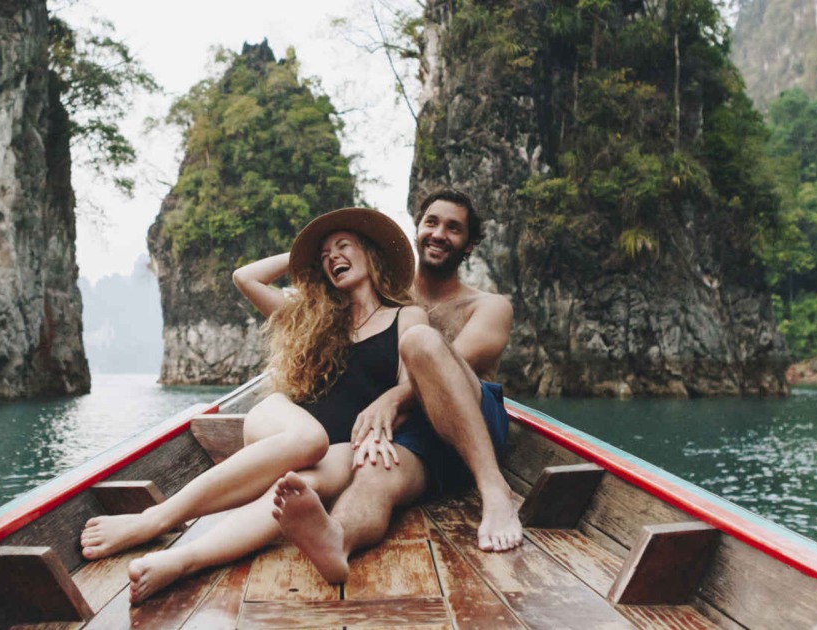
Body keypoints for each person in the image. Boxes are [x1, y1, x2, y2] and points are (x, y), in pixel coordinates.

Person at [78, 207, 428, 603]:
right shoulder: (312, 317)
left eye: (343, 246)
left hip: (344, 445)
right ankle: (151, 520)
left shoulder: (407, 316)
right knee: (309, 439)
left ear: (371, 253)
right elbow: (245, 277)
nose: (333, 257)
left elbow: (412, 387)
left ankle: (182, 560)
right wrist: (304, 258)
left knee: (300, 488)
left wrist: (385, 416)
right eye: (325, 254)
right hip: (283, 422)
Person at [270, 189, 522, 585]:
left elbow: (443, 367)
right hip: (417, 432)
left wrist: (390, 400)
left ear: (469, 245)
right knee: (374, 470)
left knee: (420, 342)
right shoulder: (385, 297)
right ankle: (337, 539)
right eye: (431, 223)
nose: (439, 234)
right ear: (417, 230)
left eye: (453, 228)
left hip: (472, 420)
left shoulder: (489, 307)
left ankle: (495, 491)